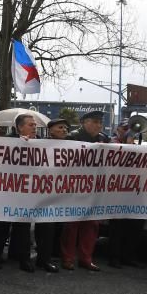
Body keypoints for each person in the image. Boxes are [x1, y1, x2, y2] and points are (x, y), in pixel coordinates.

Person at [60, 110, 107, 271]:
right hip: (74, 187)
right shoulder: (72, 137)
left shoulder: (103, 139)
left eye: (100, 122)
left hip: (93, 188)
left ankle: (86, 258)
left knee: (91, 224)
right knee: (72, 225)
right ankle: (68, 258)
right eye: (95, 121)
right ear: (84, 122)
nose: (98, 125)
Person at [33, 119, 70, 272]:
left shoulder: (71, 145)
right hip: (44, 193)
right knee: (46, 228)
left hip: (61, 192)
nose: (64, 130)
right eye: (60, 127)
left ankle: (51, 255)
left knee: (57, 227)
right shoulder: (41, 144)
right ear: (51, 131)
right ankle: (43, 259)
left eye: (66, 128)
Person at [3, 114, 38, 273]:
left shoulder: (40, 142)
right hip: (8, 189)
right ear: (20, 127)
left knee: (24, 225)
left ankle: (24, 258)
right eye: (31, 125)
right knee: (3, 225)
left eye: (35, 125)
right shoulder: (7, 140)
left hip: (27, 190)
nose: (34, 127)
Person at [108, 119, 143, 268]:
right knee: (117, 228)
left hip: (133, 194)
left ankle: (129, 256)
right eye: (125, 128)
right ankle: (114, 257)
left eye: (131, 129)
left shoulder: (138, 148)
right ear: (118, 130)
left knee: (133, 227)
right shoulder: (111, 144)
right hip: (116, 193)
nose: (128, 131)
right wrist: (129, 141)